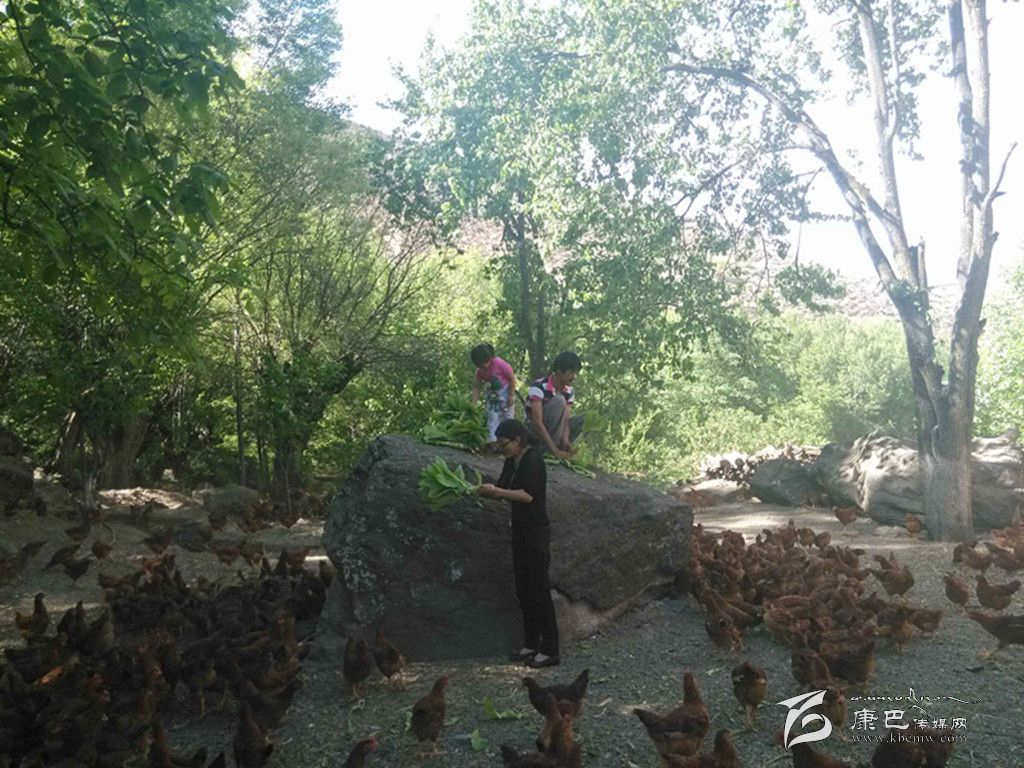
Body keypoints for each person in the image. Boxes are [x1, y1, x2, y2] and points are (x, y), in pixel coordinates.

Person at [477, 419, 560, 668]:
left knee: (539, 589)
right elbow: (502, 487)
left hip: (536, 533)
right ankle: (531, 642)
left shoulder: (534, 460)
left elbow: (527, 495)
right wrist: (482, 490)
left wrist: (497, 492)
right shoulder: (511, 461)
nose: (502, 449)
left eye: (504, 444)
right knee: (523, 589)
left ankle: (550, 649)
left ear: (517, 440)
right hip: (519, 531)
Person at [526, 351, 584, 460]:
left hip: (557, 430)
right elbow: (537, 422)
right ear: (559, 371)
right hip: (535, 433)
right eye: (571, 372)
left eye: (575, 373)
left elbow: (565, 419)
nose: (574, 377)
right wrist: (554, 450)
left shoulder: (570, 391)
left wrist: (565, 440)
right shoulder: (538, 387)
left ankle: (563, 447)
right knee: (559, 400)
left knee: (583, 419)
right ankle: (549, 448)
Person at [470, 343, 517, 449]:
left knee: (508, 418)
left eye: (485, 363)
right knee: (492, 417)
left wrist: (511, 395)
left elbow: (512, 378)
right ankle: (492, 442)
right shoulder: (480, 372)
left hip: (506, 392)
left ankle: (509, 442)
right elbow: (477, 386)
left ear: (490, 358)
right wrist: (474, 403)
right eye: (480, 365)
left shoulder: (499, 364)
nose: (484, 366)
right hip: (493, 396)